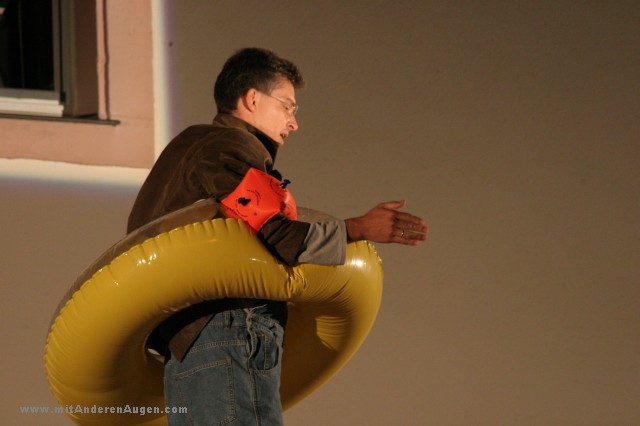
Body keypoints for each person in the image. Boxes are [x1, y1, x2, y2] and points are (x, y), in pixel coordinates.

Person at [127, 47, 427, 425]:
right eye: (287, 106)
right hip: (230, 328)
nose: (293, 122)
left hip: (183, 341)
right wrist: (360, 229)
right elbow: (280, 236)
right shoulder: (229, 145)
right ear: (252, 99)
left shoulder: (187, 149)